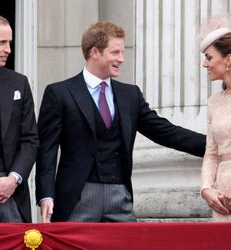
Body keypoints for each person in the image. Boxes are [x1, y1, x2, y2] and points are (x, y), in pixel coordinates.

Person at [36, 21, 206, 223]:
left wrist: (214, 146)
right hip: (77, 196)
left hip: (120, 194)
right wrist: (46, 195)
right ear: (95, 52)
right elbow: (46, 149)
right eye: (115, 53)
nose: (121, 59)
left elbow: (164, 131)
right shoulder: (60, 93)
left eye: (122, 52)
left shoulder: (130, 95)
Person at [0, 12, 38, 223]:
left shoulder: (18, 83)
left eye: (10, 42)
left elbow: (31, 139)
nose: (8, 50)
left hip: (13, 196)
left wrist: (13, 180)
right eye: (2, 42)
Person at [200, 13, 231, 222]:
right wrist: (206, 188)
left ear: (228, 59)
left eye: (209, 57)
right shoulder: (214, 102)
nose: (205, 64)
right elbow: (211, 153)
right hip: (221, 198)